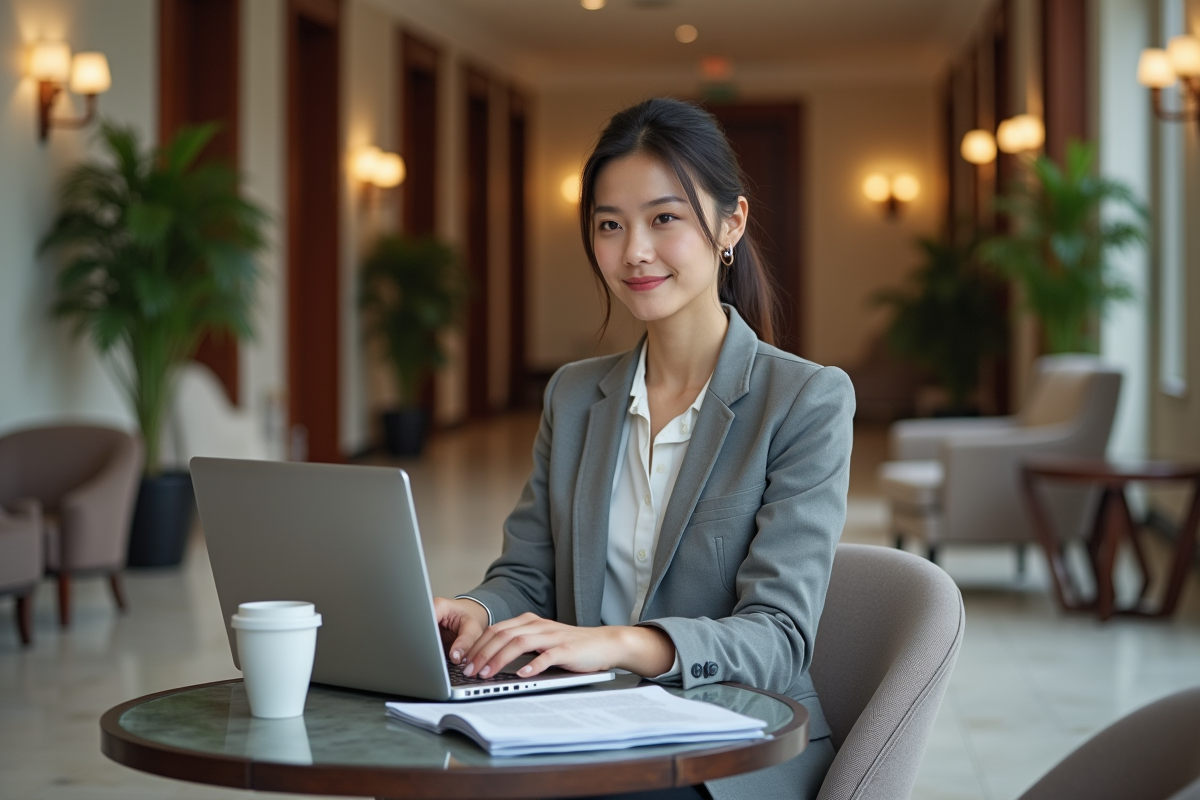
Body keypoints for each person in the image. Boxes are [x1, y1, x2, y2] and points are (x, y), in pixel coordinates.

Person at [434, 97, 854, 800]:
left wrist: (620, 642)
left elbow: (777, 637)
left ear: (731, 224)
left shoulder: (805, 399)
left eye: (665, 218)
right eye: (610, 224)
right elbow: (527, 578)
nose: (634, 251)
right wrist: (480, 610)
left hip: (729, 750)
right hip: (581, 724)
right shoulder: (573, 396)